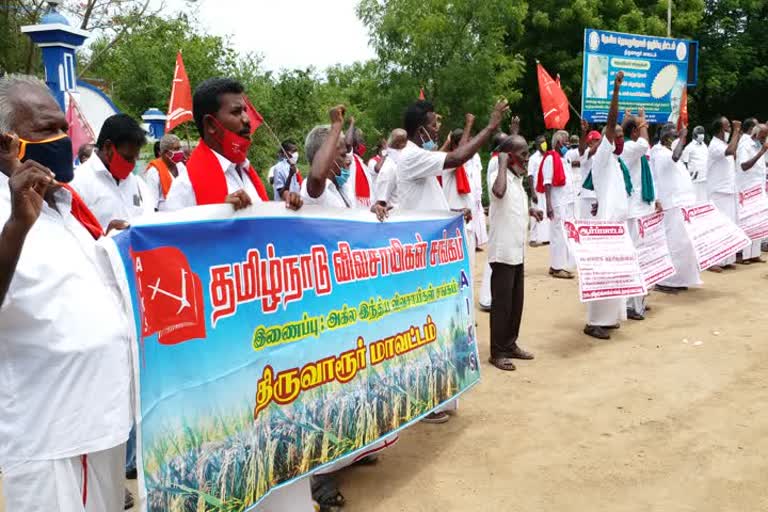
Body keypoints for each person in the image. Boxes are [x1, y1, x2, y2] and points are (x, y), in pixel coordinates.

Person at [0, 74, 132, 512]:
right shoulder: (10, 208)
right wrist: (17, 226)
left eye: (64, 126)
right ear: (6, 142)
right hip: (51, 434)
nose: (63, 138)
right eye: (46, 129)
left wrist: (108, 249)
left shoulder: (62, 203)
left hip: (101, 422)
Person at [399, 96, 509, 422]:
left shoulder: (417, 154)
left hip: (431, 254)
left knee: (436, 326)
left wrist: (450, 214)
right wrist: (490, 126)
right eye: (434, 124)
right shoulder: (412, 155)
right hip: (418, 258)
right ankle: (425, 402)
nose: (438, 129)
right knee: (424, 329)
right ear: (421, 130)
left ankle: (438, 395)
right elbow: (459, 156)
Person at [163, 77, 302, 212]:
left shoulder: (244, 169)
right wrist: (218, 214)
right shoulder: (185, 186)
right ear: (211, 124)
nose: (247, 120)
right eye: (236, 112)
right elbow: (172, 234)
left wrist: (286, 208)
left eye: (245, 111)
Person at [487, 134, 543, 371]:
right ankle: (497, 352)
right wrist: (501, 162)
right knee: (502, 305)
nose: (527, 158)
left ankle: (510, 344)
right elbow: (499, 193)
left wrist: (531, 213)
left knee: (516, 303)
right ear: (509, 157)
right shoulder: (498, 176)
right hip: (502, 253)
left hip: (517, 252)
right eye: (522, 154)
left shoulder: (517, 181)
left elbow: (512, 208)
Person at [583, 71, 630, 340]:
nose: (620, 139)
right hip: (606, 226)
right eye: (617, 135)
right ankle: (594, 322)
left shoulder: (613, 160)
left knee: (615, 275)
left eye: (623, 135)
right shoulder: (602, 154)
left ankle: (609, 319)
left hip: (617, 224)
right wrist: (615, 89)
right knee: (603, 274)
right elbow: (611, 123)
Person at [70, 113, 153, 229]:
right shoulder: (77, 183)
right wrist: (106, 236)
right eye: (127, 158)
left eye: (136, 158)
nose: (132, 164)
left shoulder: (136, 182)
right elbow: (73, 235)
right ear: (108, 147)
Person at [654, 124, 703, 294]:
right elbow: (675, 157)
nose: (677, 139)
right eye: (674, 136)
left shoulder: (668, 152)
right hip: (671, 205)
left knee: (684, 244)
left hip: (681, 204)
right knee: (673, 244)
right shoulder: (659, 152)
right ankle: (665, 281)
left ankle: (679, 279)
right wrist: (683, 137)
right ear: (666, 137)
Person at [620, 108, 656, 319]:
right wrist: (641, 122)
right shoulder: (629, 147)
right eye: (642, 129)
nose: (645, 131)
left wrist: (634, 121)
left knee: (638, 255)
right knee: (635, 256)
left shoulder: (627, 146)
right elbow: (644, 144)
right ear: (634, 133)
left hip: (637, 208)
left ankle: (637, 300)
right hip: (633, 211)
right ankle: (631, 304)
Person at [538, 130, 576, 279]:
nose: (568, 144)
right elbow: (547, 182)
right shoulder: (550, 158)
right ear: (559, 143)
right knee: (557, 235)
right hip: (556, 202)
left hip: (566, 202)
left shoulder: (564, 158)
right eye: (566, 141)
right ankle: (556, 267)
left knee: (563, 235)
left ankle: (559, 265)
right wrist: (548, 205)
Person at [442, 120, 478, 269]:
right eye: (468, 143)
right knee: (459, 265)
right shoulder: (449, 163)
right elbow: (460, 154)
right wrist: (468, 124)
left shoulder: (467, 163)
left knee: (469, 262)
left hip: (467, 219)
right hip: (455, 220)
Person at [706, 116, 742, 271]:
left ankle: (726, 259)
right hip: (718, 193)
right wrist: (737, 131)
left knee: (729, 227)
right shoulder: (715, 145)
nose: (729, 129)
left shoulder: (722, 144)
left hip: (728, 191)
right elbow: (731, 151)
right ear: (721, 129)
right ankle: (711, 261)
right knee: (716, 227)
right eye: (728, 126)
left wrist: (735, 133)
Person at [736, 122, 768, 264]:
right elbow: (744, 166)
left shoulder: (759, 145)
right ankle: (744, 255)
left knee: (758, 221)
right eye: (763, 136)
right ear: (755, 134)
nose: (764, 138)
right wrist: (761, 152)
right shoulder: (745, 145)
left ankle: (754, 253)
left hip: (759, 188)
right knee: (748, 221)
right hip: (748, 189)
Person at [143, 133, 187, 210]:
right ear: (165, 152)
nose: (180, 152)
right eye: (176, 149)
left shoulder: (181, 166)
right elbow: (152, 203)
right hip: (164, 217)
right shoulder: (154, 172)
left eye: (180, 148)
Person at [374, 129, 407, 210]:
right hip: (394, 218)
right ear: (400, 144)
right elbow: (380, 203)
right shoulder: (389, 167)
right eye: (405, 141)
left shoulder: (400, 164)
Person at [344, 116, 374, 206]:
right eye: (360, 140)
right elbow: (347, 143)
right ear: (354, 143)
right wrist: (352, 123)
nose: (363, 143)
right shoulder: (349, 158)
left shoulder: (362, 164)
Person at [528, 135, 550, 246]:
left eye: (545, 141)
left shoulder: (548, 156)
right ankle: (533, 238)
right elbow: (530, 175)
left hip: (546, 189)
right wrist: (532, 192)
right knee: (535, 213)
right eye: (541, 142)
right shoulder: (533, 158)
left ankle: (545, 237)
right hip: (537, 189)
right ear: (537, 145)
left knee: (545, 213)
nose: (544, 144)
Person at [681, 125, 709, 203]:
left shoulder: (705, 146)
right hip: (695, 179)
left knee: (705, 200)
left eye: (702, 133)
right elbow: (684, 163)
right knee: (696, 200)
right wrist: (688, 175)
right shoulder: (689, 147)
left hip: (705, 177)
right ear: (694, 134)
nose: (702, 135)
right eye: (700, 133)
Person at [577, 129, 601, 219]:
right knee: (587, 226)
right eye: (597, 141)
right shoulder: (586, 154)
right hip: (587, 196)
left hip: (598, 196)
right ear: (590, 143)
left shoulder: (600, 155)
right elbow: (586, 151)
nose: (600, 143)